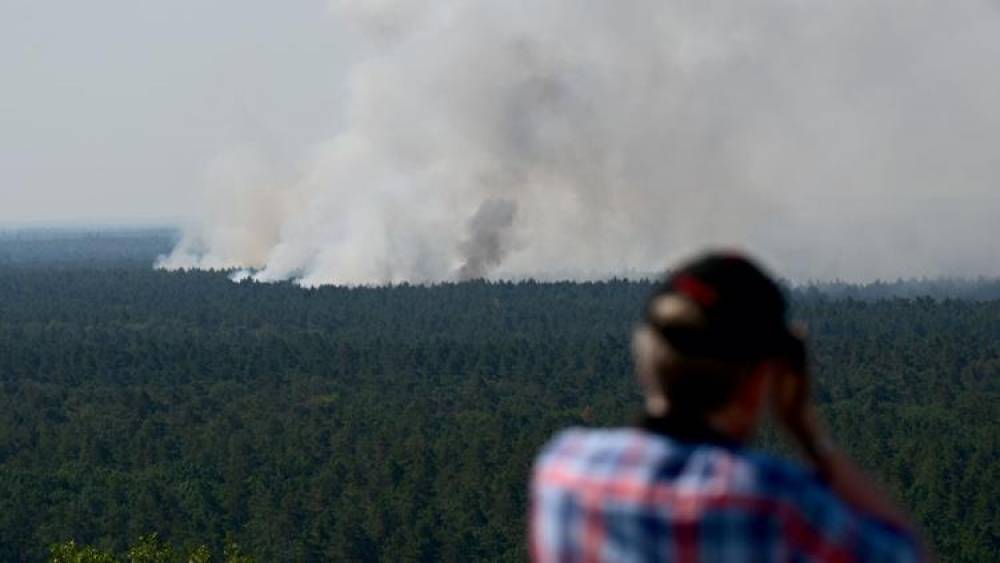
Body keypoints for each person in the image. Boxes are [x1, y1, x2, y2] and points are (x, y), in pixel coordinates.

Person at [529, 252, 924, 562]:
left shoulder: (563, 471)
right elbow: (904, 554)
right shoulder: (776, 502)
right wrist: (806, 431)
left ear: (646, 357)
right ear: (760, 379)